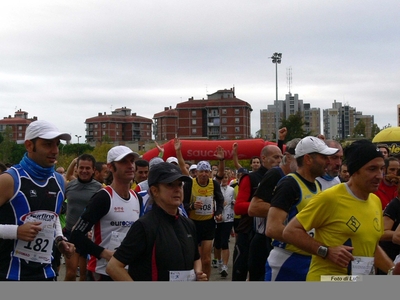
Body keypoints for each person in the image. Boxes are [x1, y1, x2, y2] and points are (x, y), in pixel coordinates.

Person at [282, 139, 400, 280]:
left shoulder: (375, 201)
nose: (379, 176)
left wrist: (392, 270)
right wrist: (326, 251)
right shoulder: (331, 197)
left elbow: (371, 247)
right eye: (372, 169)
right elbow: (290, 231)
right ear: (354, 171)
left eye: (381, 169)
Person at [106, 162, 207, 281]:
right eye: (170, 185)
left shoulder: (188, 224)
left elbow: (196, 258)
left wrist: (198, 272)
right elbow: (113, 267)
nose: (177, 190)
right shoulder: (145, 226)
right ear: (154, 191)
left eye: (179, 185)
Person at [0, 119, 75, 281]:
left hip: (46, 273)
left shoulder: (59, 181)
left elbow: (52, 219)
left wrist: (59, 239)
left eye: (57, 144)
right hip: (9, 274)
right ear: (29, 145)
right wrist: (15, 232)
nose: (55, 150)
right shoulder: (9, 180)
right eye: (47, 144)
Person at [265, 136, 338, 281]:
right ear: (308, 159)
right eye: (324, 157)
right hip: (287, 262)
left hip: (308, 259)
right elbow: (272, 228)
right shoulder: (289, 184)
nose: (328, 162)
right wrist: (318, 247)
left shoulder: (317, 185)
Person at [70, 145, 143, 281]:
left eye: (132, 161)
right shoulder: (103, 198)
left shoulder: (137, 198)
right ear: (110, 167)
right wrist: (105, 253)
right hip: (102, 272)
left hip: (127, 271)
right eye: (123, 162)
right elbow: (76, 235)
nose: (130, 166)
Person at [232, 130, 285, 281]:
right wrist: (267, 207)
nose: (279, 161)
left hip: (271, 235)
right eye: (275, 157)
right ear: (263, 159)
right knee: (241, 273)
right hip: (248, 233)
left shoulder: (283, 178)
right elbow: (239, 206)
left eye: (281, 158)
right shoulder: (251, 177)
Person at [247, 137, 300, 281]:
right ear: (288, 158)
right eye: (300, 159)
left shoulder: (297, 177)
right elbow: (253, 208)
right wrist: (287, 210)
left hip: (285, 244)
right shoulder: (275, 174)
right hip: (265, 240)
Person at [183, 159, 224, 280]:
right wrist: (192, 206)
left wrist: (218, 212)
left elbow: (220, 200)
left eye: (207, 171)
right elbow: (182, 203)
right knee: (194, 257)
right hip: (193, 224)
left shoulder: (214, 184)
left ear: (210, 173)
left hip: (208, 224)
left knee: (206, 259)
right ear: (196, 172)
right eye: (201, 172)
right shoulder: (190, 184)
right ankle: (193, 279)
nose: (204, 174)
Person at [63, 154, 103, 281]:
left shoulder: (99, 188)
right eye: (81, 168)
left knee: (85, 275)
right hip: (71, 234)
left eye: (87, 168)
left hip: (89, 237)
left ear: (93, 170)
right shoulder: (70, 186)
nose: (84, 171)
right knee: (71, 273)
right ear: (77, 168)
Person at [212, 170, 235, 278]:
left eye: (226, 178)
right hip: (218, 218)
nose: (224, 180)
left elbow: (234, 200)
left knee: (225, 241)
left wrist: (234, 203)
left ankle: (224, 266)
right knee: (217, 242)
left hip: (228, 218)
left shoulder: (231, 189)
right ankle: (218, 260)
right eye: (222, 178)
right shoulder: (215, 188)